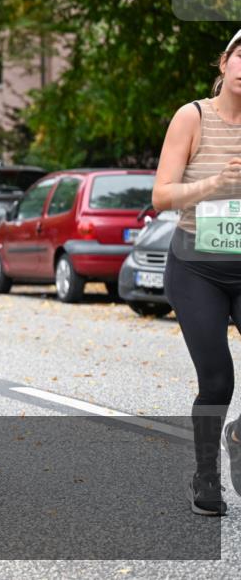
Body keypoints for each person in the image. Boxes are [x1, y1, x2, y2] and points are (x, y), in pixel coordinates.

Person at [153, 29, 241, 516]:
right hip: (197, 268)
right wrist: (215, 183)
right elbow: (161, 196)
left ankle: (238, 436)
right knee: (218, 379)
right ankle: (206, 475)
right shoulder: (193, 117)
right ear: (225, 62)